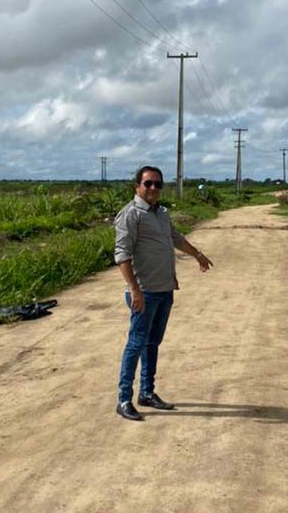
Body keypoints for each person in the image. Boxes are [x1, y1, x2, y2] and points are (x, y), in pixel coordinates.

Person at [114, 165, 213, 421]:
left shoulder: (161, 213)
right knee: (135, 344)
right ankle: (124, 399)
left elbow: (176, 238)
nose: (154, 188)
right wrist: (134, 290)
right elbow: (122, 255)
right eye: (148, 183)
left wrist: (198, 255)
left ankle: (147, 392)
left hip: (165, 289)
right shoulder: (130, 215)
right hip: (144, 293)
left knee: (152, 344)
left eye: (158, 184)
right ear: (137, 186)